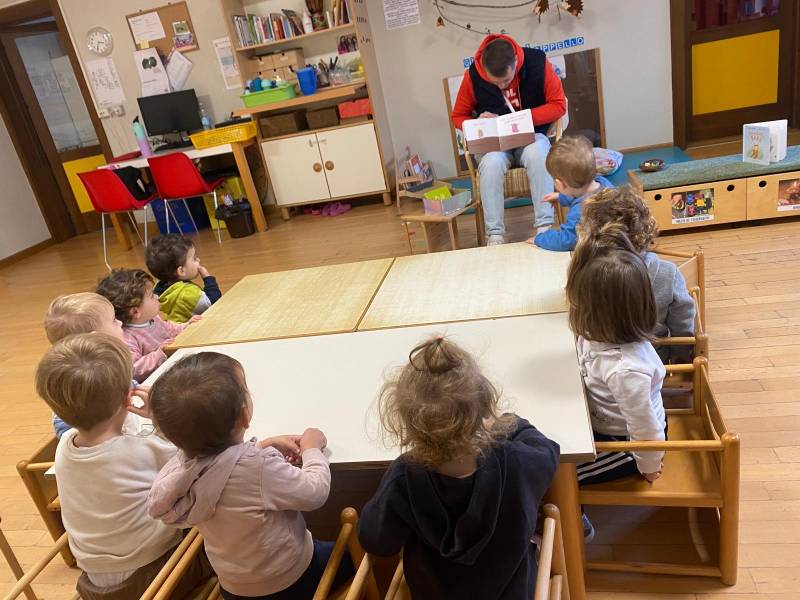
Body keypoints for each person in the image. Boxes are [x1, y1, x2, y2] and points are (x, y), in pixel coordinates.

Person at [357, 336, 560, 599]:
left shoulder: (405, 475)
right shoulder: (516, 460)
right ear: (485, 406)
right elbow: (548, 451)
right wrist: (511, 423)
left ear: (409, 424)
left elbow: (376, 541)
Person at [147, 352, 351, 600]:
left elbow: (222, 466)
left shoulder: (182, 470)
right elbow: (314, 493)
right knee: (350, 554)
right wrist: (312, 449)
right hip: (288, 581)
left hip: (233, 587)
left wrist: (261, 446)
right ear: (245, 416)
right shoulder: (259, 468)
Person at [35, 333, 208, 599]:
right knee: (213, 519)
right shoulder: (140, 446)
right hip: (152, 574)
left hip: (93, 580)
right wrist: (159, 419)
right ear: (129, 397)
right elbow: (193, 456)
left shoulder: (65, 444)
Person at [566, 228, 667, 538]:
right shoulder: (598, 336)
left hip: (628, 446)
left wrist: (649, 465)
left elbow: (645, 429)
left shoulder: (625, 369)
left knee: (560, 472)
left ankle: (577, 527)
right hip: (606, 423)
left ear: (595, 312)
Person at [451, 34, 567, 245]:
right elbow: (458, 116)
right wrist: (477, 121)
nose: (502, 86)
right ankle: (494, 234)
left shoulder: (537, 62)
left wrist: (525, 118)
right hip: (495, 145)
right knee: (491, 163)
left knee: (538, 152)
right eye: (495, 82)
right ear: (484, 69)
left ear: (516, 60)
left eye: (505, 80)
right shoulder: (473, 75)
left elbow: (558, 104)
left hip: (531, 137)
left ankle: (544, 226)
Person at [579, 187, 696, 363]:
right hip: (655, 358)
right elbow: (682, 322)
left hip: (602, 358)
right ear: (645, 228)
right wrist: (682, 355)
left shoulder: (587, 271)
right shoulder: (668, 272)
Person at [43, 292, 128, 438]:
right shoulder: (76, 388)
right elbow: (71, 437)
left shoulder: (115, 360)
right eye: (114, 320)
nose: (120, 323)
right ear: (97, 337)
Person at [96, 269, 198, 381]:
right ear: (136, 312)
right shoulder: (128, 338)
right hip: (160, 378)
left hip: (173, 363)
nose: (157, 297)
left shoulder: (151, 318)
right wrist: (158, 355)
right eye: (151, 296)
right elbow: (134, 369)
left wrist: (185, 326)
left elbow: (168, 328)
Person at [532, 135, 612, 251]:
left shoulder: (580, 211)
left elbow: (566, 240)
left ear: (560, 184)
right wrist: (560, 197)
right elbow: (581, 193)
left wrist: (540, 238)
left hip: (601, 256)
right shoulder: (604, 183)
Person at [146, 234, 222, 323]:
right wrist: (208, 278)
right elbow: (213, 304)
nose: (198, 259)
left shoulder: (161, 288)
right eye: (194, 258)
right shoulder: (187, 293)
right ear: (181, 270)